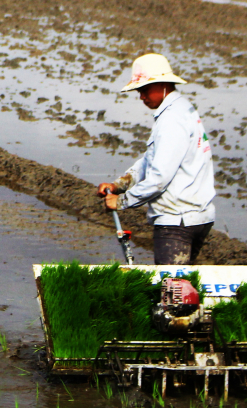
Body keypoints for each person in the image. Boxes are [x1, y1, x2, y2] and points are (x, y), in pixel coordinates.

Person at [97, 53, 216, 265]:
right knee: (183, 287)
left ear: (162, 84)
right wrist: (119, 185)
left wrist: (122, 201)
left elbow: (159, 178)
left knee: (172, 292)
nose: (141, 96)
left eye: (144, 89)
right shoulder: (182, 108)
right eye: (138, 91)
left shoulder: (171, 119)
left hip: (177, 221)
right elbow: (151, 159)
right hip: (198, 216)